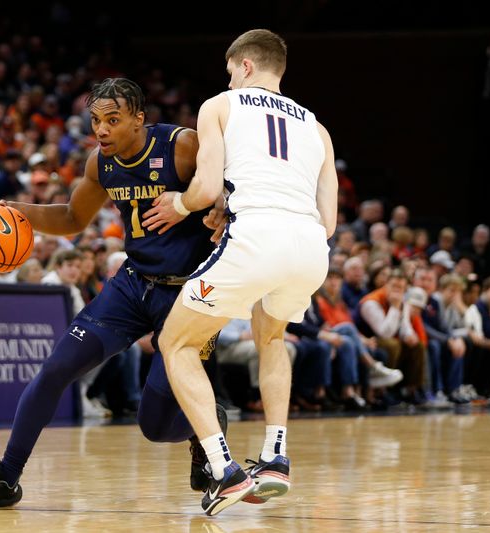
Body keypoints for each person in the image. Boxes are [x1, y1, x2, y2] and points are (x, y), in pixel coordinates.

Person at [0, 78, 221, 509]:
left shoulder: (182, 146)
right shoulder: (102, 164)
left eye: (113, 120)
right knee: (56, 369)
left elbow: (231, 188)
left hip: (189, 295)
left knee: (153, 424)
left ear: (138, 119)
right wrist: (13, 210)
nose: (102, 130)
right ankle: (7, 476)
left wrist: (221, 211)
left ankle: (203, 426)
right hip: (133, 285)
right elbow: (75, 216)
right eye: (96, 121)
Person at [144, 29, 336, 515]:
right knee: (271, 338)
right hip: (311, 247)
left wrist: (180, 203)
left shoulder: (221, 105)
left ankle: (223, 468)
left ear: (245, 66)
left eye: (231, 69)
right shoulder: (317, 127)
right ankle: (275, 458)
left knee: (176, 342)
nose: (228, 77)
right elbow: (329, 219)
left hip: (258, 238)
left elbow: (207, 187)